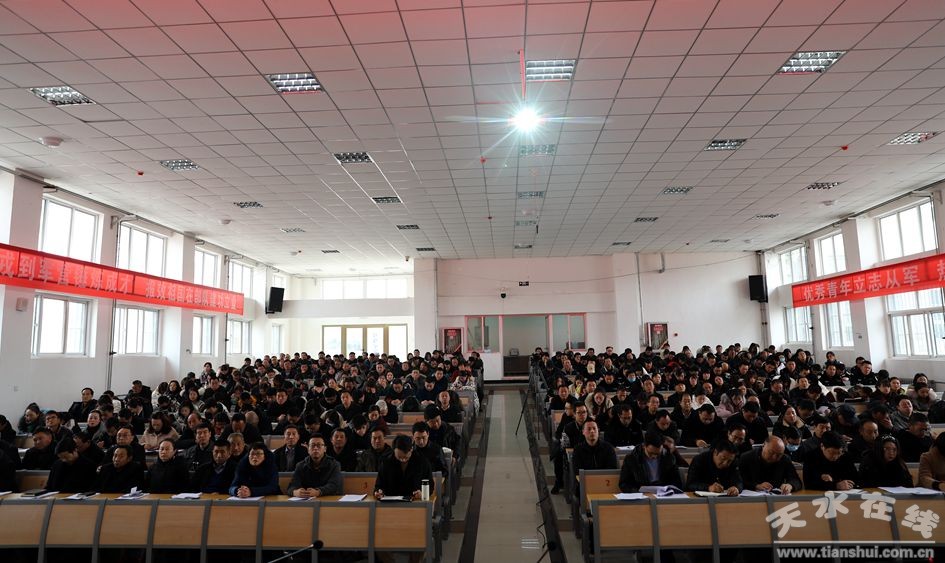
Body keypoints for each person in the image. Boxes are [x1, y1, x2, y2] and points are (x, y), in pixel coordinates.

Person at [373, 435, 433, 563]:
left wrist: (422, 493)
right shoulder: (386, 461)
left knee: (420, 534)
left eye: (406, 457)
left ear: (411, 450)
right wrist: (379, 492)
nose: (403, 460)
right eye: (399, 457)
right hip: (390, 509)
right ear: (394, 450)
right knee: (377, 536)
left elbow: (430, 485)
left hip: (414, 509)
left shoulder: (422, 461)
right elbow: (379, 485)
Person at [571, 421, 618, 490]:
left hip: (606, 484)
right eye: (589, 429)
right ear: (583, 432)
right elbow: (578, 472)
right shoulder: (577, 450)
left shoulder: (608, 448)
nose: (592, 431)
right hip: (585, 485)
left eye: (594, 428)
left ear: (598, 431)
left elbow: (612, 469)